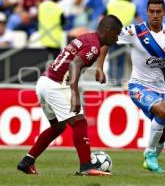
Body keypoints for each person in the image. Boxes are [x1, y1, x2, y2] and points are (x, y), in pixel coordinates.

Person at [17, 15, 123, 176]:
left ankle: (27, 162)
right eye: (116, 34)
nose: (117, 39)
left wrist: (99, 68)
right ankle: (86, 167)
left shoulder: (88, 38)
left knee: (57, 127)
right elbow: (75, 65)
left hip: (44, 82)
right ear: (108, 31)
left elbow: (98, 49)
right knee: (79, 122)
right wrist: (74, 94)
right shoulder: (93, 46)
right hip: (57, 85)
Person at [96, 0, 165, 173]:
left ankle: (151, 159)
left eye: (158, 12)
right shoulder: (134, 31)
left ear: (164, 13)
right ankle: (150, 154)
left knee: (164, 129)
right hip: (138, 86)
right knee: (163, 111)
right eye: (151, 11)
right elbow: (106, 40)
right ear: (146, 12)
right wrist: (99, 66)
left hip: (160, 88)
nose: (154, 15)